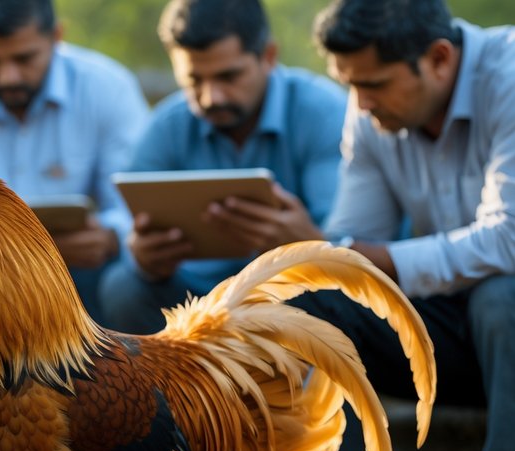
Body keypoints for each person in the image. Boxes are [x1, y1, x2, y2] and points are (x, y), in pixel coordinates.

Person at [293, 0, 515, 451]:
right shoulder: (373, 109)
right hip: (460, 330)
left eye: (373, 84)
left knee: (503, 294)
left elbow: (509, 238)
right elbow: (353, 236)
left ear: (439, 59)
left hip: (504, 314)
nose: (360, 102)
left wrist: (378, 258)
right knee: (312, 302)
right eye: (350, 84)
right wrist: (319, 256)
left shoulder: (508, 77)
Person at [98, 0, 348, 335]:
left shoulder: (323, 113)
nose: (211, 97)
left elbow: (347, 239)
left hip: (290, 289)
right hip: (195, 296)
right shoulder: (167, 126)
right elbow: (130, 230)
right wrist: (143, 258)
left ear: (269, 56)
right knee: (123, 287)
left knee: (324, 291)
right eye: (193, 80)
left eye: (228, 76)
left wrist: (309, 245)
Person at [0, 0, 149, 325]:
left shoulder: (108, 88)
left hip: (78, 265)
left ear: (56, 36)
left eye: (24, 58)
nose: (8, 76)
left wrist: (110, 235)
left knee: (123, 289)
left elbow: (131, 199)